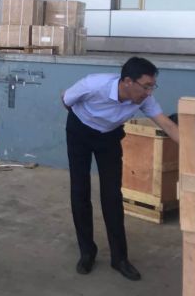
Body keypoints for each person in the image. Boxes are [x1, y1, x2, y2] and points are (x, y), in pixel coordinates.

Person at [62, 57, 179, 281]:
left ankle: (120, 258)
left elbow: (167, 124)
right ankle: (87, 252)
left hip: (109, 137)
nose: (149, 92)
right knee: (80, 191)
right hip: (79, 133)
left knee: (112, 196)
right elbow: (66, 99)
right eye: (146, 86)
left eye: (152, 86)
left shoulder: (144, 99)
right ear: (127, 81)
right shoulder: (94, 84)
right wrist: (86, 120)